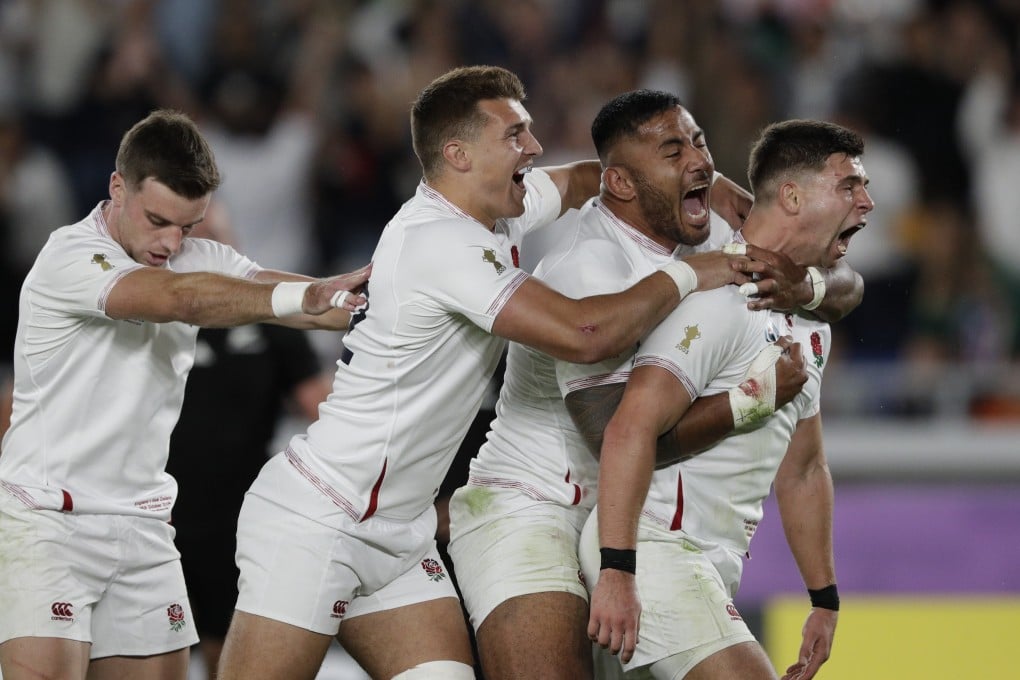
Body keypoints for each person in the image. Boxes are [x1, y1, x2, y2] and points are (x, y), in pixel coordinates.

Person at [216, 65, 760, 680]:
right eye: (515, 135)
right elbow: (585, 334)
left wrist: (707, 183)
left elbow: (588, 178)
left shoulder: (497, 211)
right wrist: (695, 270)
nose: (533, 147)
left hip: (400, 533)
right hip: (319, 515)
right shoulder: (438, 242)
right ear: (459, 154)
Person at [446, 90, 864, 679]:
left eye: (698, 142)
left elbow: (841, 275)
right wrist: (755, 399)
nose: (698, 160)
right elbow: (616, 435)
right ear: (619, 185)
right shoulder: (588, 269)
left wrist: (805, 289)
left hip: (621, 518)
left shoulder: (712, 224)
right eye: (673, 150)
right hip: (529, 507)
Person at [0, 109, 370, 680]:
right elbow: (181, 300)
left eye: (189, 227)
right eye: (158, 220)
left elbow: (289, 299)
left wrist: (378, 300)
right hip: (51, 524)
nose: (171, 243)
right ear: (117, 188)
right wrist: (310, 298)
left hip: (145, 526)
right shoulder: (68, 258)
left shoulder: (192, 258)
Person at [583, 119, 874, 680]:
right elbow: (629, 427)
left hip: (707, 568)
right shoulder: (716, 299)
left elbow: (804, 469)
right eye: (849, 185)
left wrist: (824, 598)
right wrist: (618, 569)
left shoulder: (813, 324)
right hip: (653, 551)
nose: (866, 201)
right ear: (791, 195)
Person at [163, 211, 333, 680]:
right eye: (193, 238)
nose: (204, 247)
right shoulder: (148, 311)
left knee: (228, 657)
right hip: (155, 516)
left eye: (216, 237)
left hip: (236, 521)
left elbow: (321, 406)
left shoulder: (268, 317)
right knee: (151, 655)